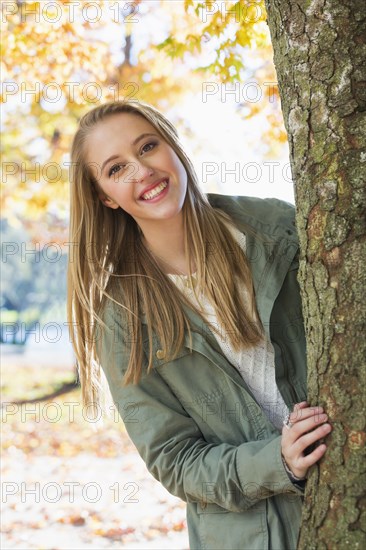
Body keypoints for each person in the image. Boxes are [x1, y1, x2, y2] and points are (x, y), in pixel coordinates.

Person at [67, 99, 332, 550]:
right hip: (249, 537)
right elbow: (175, 460)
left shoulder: (279, 229)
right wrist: (278, 462)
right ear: (104, 197)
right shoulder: (121, 315)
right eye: (116, 169)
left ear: (172, 145)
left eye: (147, 147)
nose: (141, 171)